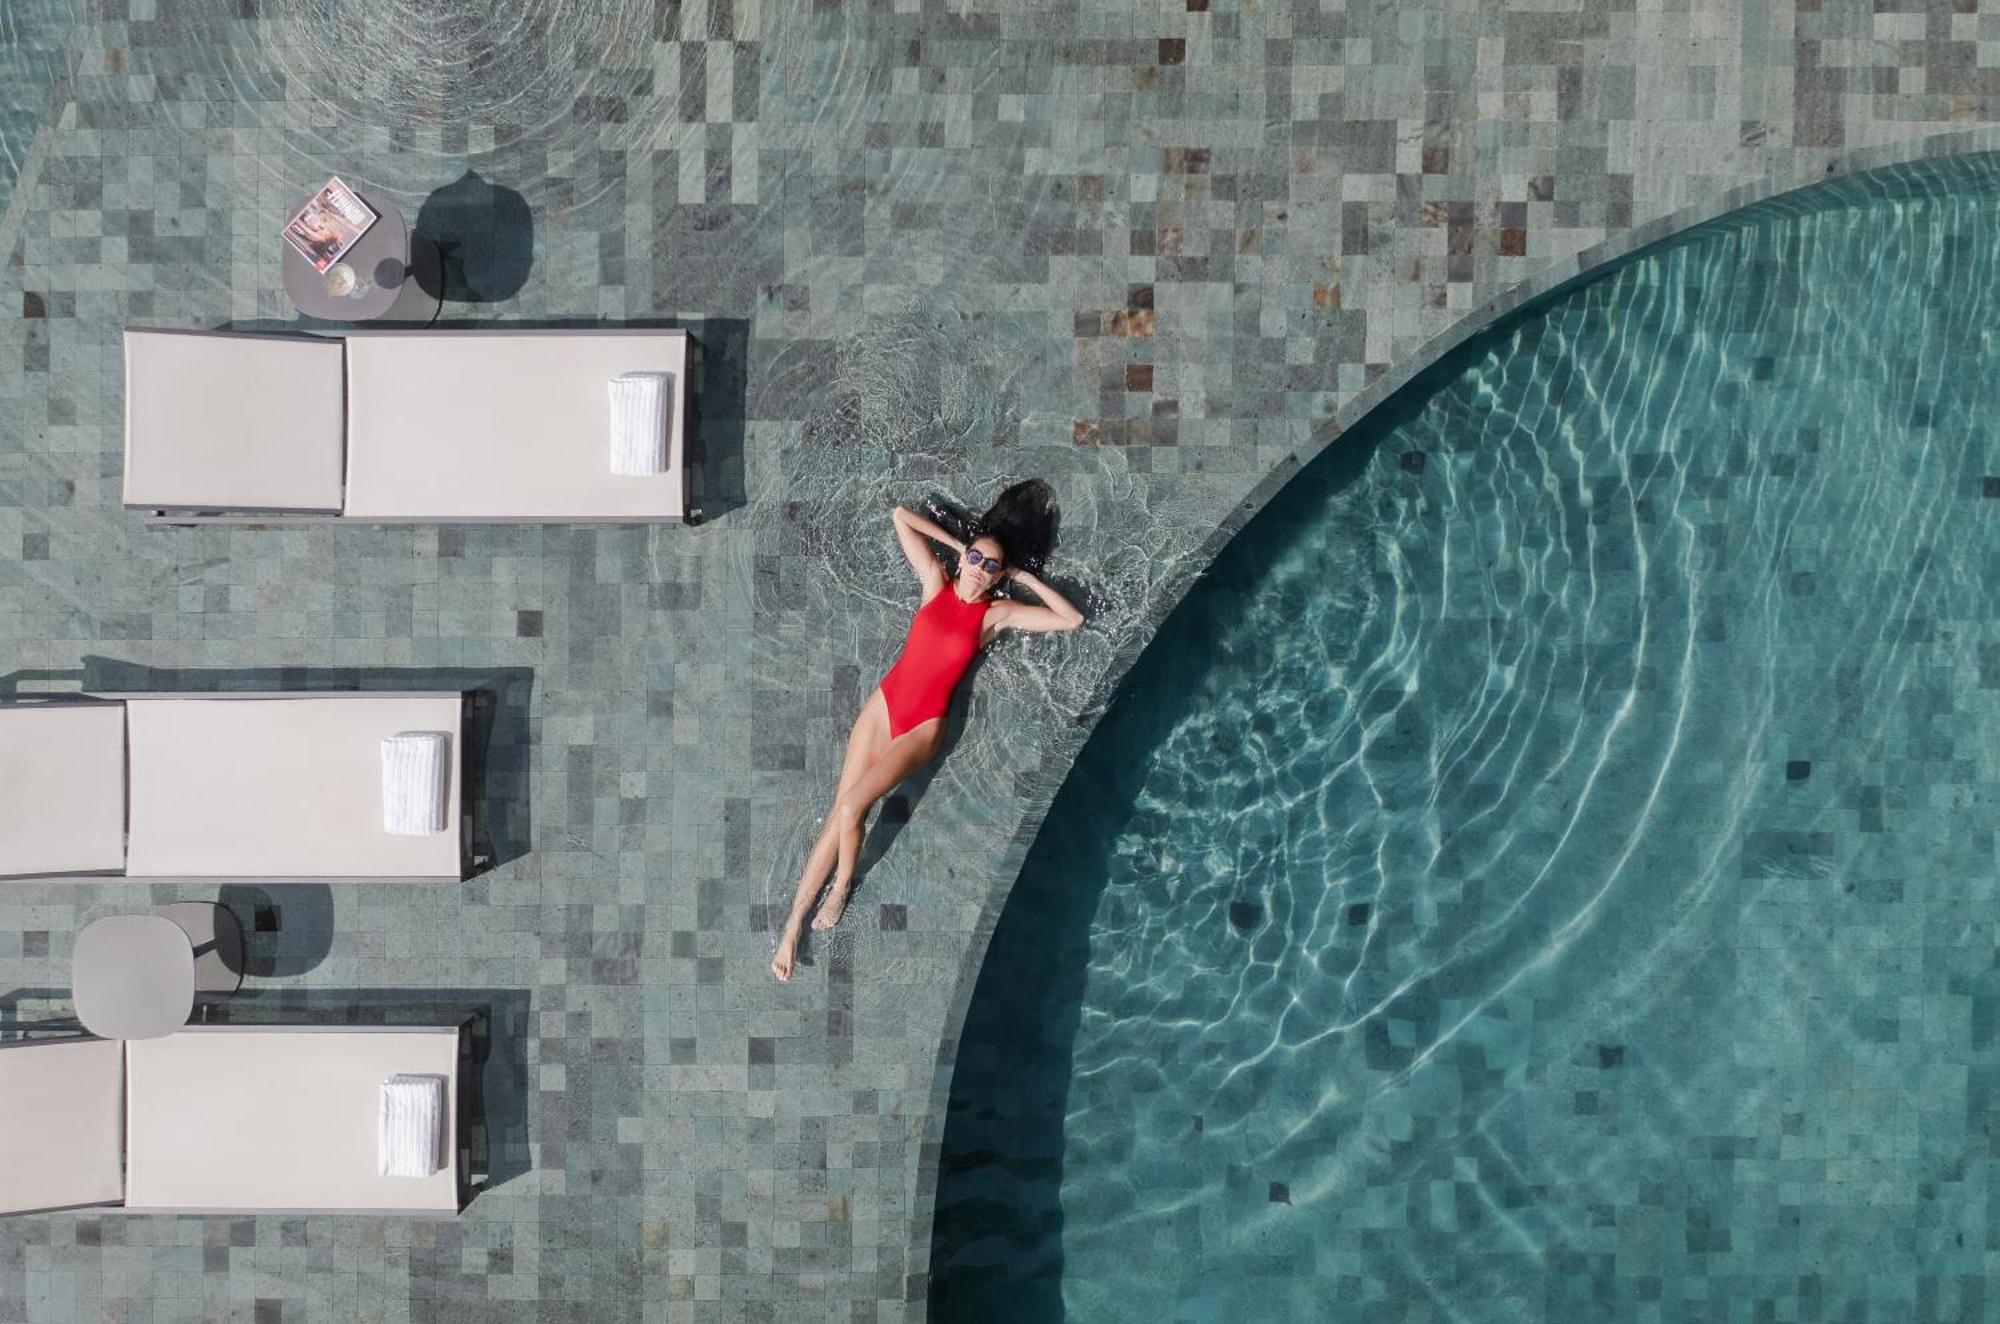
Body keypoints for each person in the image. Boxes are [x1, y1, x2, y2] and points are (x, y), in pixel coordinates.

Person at [771, 480, 1084, 980]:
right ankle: (792, 925)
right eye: (978, 561)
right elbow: (900, 515)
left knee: (855, 806)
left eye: (991, 567)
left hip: (922, 727)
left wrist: (1022, 576)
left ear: (1000, 575)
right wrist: (963, 545)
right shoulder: (935, 583)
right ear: (964, 560)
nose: (981, 572)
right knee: (838, 814)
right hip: (884, 704)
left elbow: (1070, 619)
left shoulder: (994, 616)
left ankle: (844, 883)